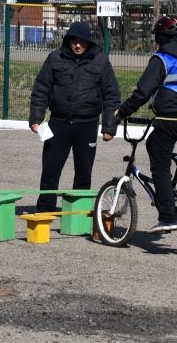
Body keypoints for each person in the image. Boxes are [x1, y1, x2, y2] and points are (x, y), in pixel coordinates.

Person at [115, 15, 177, 233]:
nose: (156, 41)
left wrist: (122, 111)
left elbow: (143, 92)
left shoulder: (162, 59)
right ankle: (172, 171)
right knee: (155, 145)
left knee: (159, 165)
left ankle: (168, 216)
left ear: (163, 36)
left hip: (169, 118)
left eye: (157, 36)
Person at [29, 21, 120, 213]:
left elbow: (111, 95)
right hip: (58, 124)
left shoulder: (100, 61)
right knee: (50, 171)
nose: (77, 45)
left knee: (83, 173)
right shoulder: (55, 58)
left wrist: (109, 127)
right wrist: (36, 118)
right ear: (68, 41)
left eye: (82, 42)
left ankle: (78, 213)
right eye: (74, 41)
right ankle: (45, 211)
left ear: (89, 42)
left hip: (87, 126)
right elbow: (41, 89)